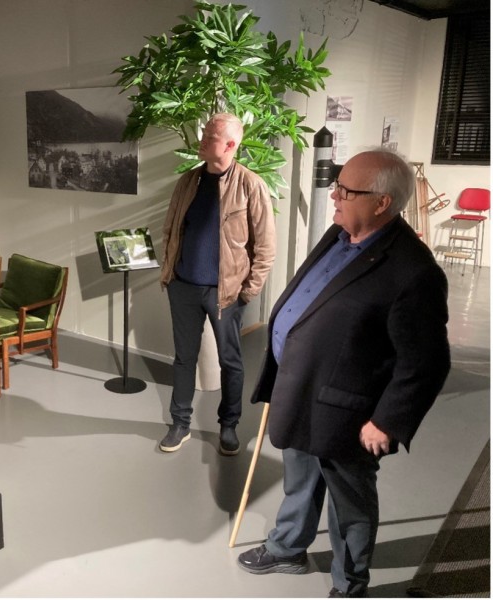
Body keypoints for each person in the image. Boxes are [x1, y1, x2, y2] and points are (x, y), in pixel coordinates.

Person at [236, 149, 451, 598]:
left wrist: (387, 422)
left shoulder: (413, 272)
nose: (334, 195)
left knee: (349, 504)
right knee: (300, 480)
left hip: (349, 411)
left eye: (346, 190)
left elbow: (426, 361)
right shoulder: (340, 232)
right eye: (337, 185)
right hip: (301, 389)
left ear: (381, 203)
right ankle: (288, 548)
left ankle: (349, 584)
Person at [158, 113, 276, 454]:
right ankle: (180, 423)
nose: (202, 139)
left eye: (210, 136)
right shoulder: (188, 181)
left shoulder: (251, 185)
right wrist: (170, 273)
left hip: (227, 293)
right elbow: (171, 229)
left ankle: (229, 425)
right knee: (184, 358)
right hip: (183, 286)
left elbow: (266, 247)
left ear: (230, 145)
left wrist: (248, 291)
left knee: (231, 361)